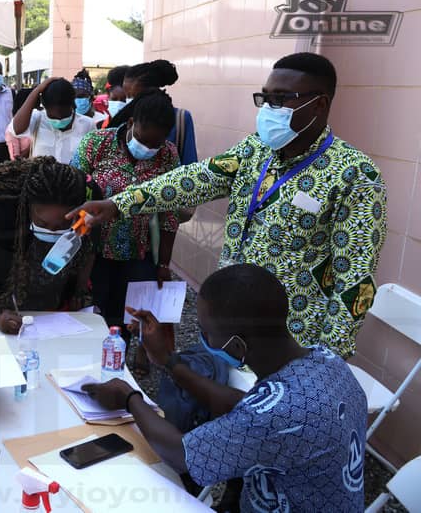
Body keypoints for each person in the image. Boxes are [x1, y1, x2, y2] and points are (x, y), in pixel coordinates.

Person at [70, 52, 387, 358]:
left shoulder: (355, 176)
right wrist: (118, 204)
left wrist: (326, 360)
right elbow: (195, 178)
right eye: (264, 98)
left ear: (319, 104)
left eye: (280, 99)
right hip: (228, 324)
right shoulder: (255, 150)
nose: (268, 108)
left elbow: (355, 278)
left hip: (290, 342)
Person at [82, 263, 367, 512]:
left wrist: (128, 397)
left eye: (206, 332)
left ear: (238, 345)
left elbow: (181, 455)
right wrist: (168, 360)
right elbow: (241, 405)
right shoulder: (326, 361)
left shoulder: (272, 416)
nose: (202, 337)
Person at [72, 91, 180, 330]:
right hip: (94, 251)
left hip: (138, 252)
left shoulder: (168, 155)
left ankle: (122, 358)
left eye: (156, 144)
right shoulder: (96, 143)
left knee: (131, 316)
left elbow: (169, 215)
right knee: (92, 312)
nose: (149, 148)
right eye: (143, 140)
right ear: (131, 123)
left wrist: (163, 264)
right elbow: (74, 190)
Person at [0, 157, 100, 334]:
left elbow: (91, 244)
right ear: (28, 206)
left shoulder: (89, 197)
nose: (52, 231)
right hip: (1, 268)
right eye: (43, 223)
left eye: (61, 226)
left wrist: (79, 290)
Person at [109, 60, 198, 167]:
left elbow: (189, 164)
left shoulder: (180, 119)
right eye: (126, 96)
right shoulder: (122, 118)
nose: (129, 101)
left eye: (133, 96)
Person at [10, 77, 96, 165]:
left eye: (64, 116)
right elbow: (17, 130)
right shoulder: (37, 118)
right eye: (53, 117)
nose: (59, 120)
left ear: (72, 105)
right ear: (44, 107)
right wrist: (37, 90)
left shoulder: (88, 125)